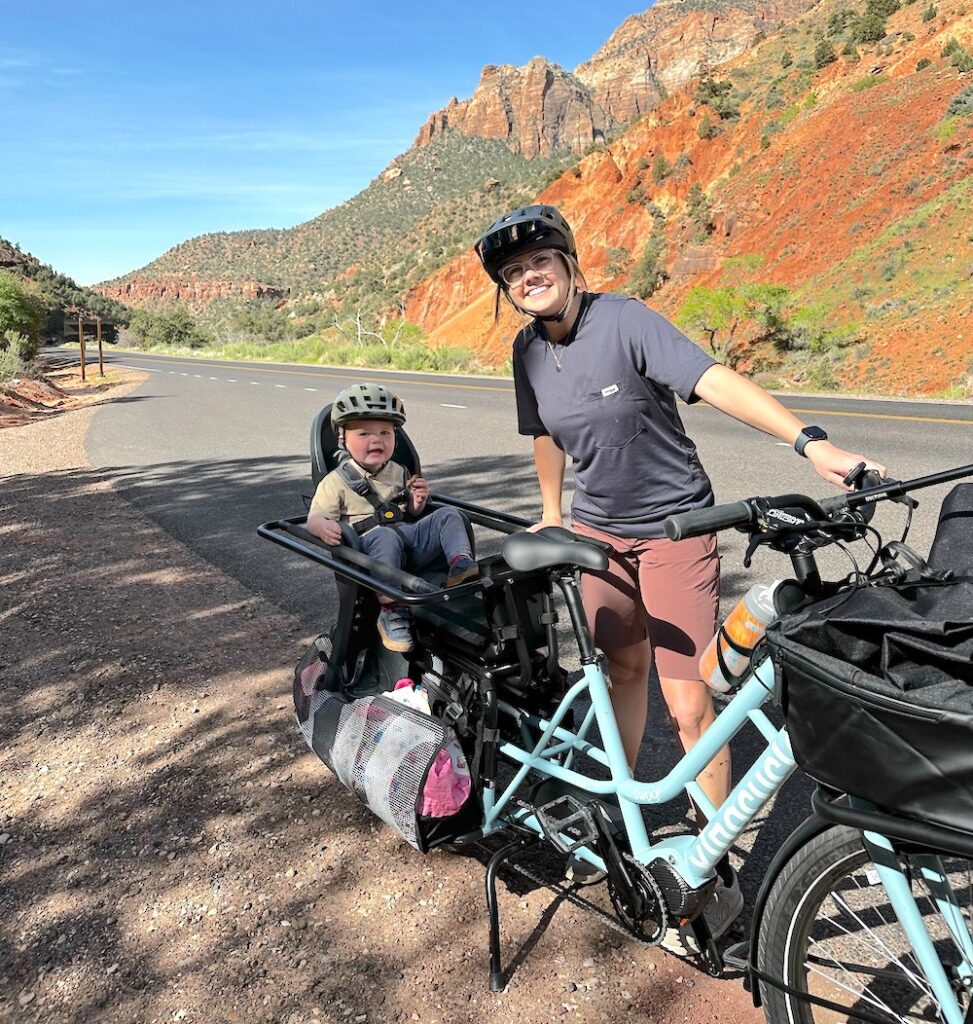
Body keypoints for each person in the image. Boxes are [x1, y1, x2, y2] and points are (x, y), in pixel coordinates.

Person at [474, 204, 887, 937]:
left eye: (537, 263)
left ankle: (709, 855)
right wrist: (549, 508)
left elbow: (712, 379)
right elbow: (542, 432)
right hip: (598, 534)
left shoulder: (626, 321)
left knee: (690, 700)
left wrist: (810, 444)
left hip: (673, 532)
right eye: (511, 275)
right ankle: (623, 802)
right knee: (619, 670)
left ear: (569, 266)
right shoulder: (527, 350)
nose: (525, 278)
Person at [306, 383, 479, 653]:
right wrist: (323, 527)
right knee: (385, 535)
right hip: (370, 554)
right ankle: (391, 610)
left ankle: (461, 566)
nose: (377, 440)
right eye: (364, 433)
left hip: (408, 541)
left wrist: (417, 501)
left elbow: (412, 513)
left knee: (449, 514)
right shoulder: (335, 482)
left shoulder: (399, 471)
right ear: (343, 439)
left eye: (385, 433)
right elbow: (314, 519)